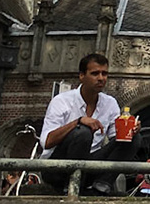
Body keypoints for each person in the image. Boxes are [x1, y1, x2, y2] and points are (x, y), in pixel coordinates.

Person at [42, 52, 123, 192]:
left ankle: (102, 185)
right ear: (81, 76)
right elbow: (47, 142)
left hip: (90, 166)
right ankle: (70, 186)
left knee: (133, 139)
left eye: (104, 74)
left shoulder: (110, 103)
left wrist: (130, 130)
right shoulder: (62, 101)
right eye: (95, 73)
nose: (101, 78)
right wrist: (77, 122)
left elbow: (116, 139)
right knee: (83, 132)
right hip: (57, 168)